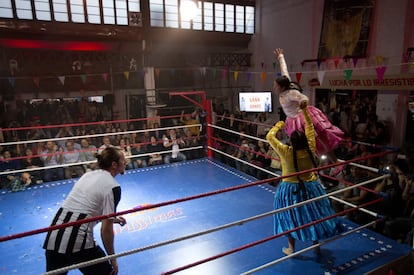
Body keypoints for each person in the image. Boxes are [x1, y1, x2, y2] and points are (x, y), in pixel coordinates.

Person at [266, 101, 342, 255]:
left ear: (291, 142)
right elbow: (310, 128)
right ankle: (316, 246)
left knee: (288, 216)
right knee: (312, 215)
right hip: (310, 186)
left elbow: (269, 136)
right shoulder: (310, 148)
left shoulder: (285, 151)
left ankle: (291, 248)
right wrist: (305, 110)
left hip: (289, 189)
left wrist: (279, 125)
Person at [43, 147, 127, 275]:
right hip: (77, 239)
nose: (126, 161)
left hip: (54, 235)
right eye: (123, 159)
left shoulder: (87, 175)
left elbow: (83, 206)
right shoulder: (113, 186)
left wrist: (113, 219)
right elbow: (106, 230)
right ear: (114, 164)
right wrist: (112, 259)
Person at [273, 48, 344, 173]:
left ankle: (336, 163)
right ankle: (314, 165)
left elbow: (303, 97)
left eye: (276, 86)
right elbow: (284, 69)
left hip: (301, 119)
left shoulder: (290, 93)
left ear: (282, 87)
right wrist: (281, 56)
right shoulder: (285, 84)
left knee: (318, 139)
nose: (274, 87)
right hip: (293, 120)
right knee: (304, 145)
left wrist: (302, 103)